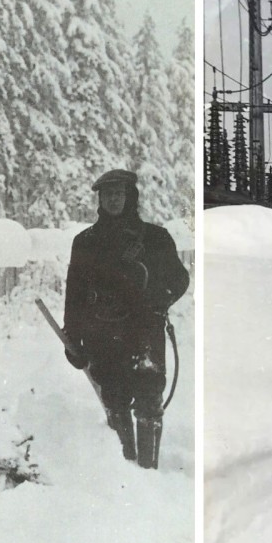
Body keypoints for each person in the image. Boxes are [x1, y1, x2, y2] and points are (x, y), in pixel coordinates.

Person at [62, 170, 189, 469]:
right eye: (108, 195)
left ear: (131, 196)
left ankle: (148, 470)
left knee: (148, 402)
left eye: (119, 193)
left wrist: (160, 301)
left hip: (144, 334)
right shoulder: (86, 242)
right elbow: (75, 293)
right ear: (100, 199)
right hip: (102, 335)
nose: (114, 200)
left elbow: (179, 279)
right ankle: (125, 474)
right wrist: (73, 337)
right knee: (115, 403)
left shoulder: (155, 239)